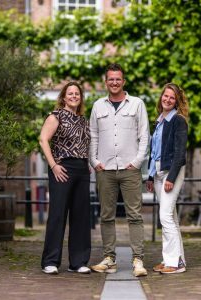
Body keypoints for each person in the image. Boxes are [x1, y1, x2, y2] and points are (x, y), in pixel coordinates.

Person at [89, 63, 150, 277]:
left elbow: (144, 136)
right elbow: (93, 136)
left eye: (118, 79)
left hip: (130, 169)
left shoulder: (137, 104)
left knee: (134, 215)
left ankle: (138, 260)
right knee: (106, 216)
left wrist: (137, 161)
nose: (114, 82)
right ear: (105, 82)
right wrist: (94, 161)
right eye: (110, 79)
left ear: (123, 81)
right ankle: (109, 259)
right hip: (105, 169)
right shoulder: (98, 106)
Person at [39, 82, 91, 275]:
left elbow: (84, 145)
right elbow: (43, 139)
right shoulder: (56, 116)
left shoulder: (83, 120)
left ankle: (77, 262)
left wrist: (89, 164)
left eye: (77, 93)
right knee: (58, 214)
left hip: (82, 169)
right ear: (63, 96)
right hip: (62, 168)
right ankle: (50, 261)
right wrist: (53, 166)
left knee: (81, 216)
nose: (74, 96)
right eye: (70, 93)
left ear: (80, 97)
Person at [146, 83, 188, 274]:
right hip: (158, 173)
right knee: (171, 217)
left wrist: (171, 177)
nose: (168, 100)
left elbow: (180, 153)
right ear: (161, 97)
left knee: (165, 216)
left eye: (172, 98)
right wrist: (149, 175)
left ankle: (175, 263)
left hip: (172, 172)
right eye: (166, 96)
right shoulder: (159, 120)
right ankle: (175, 259)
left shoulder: (178, 121)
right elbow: (154, 151)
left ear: (177, 101)